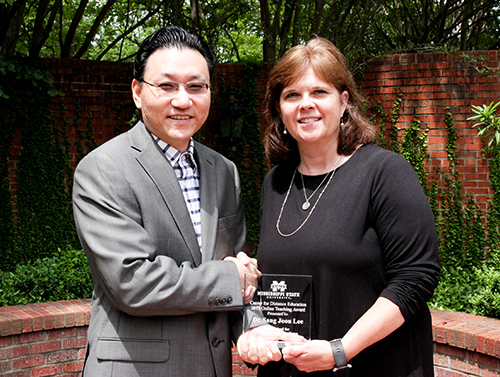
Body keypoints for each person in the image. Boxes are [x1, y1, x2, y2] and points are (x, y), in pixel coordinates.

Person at [238, 37, 441, 376]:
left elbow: (416, 277)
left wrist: (340, 350)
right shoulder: (276, 183)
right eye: (292, 95)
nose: (306, 104)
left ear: (344, 101)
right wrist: (252, 305)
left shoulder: (384, 172)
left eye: (319, 92)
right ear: (279, 109)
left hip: (375, 367)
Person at [72, 26, 264, 377]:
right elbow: (132, 281)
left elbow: (240, 269)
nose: (182, 100)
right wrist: (229, 279)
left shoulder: (223, 171)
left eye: (196, 86)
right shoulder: (104, 168)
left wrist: (255, 326)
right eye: (166, 86)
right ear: (137, 92)